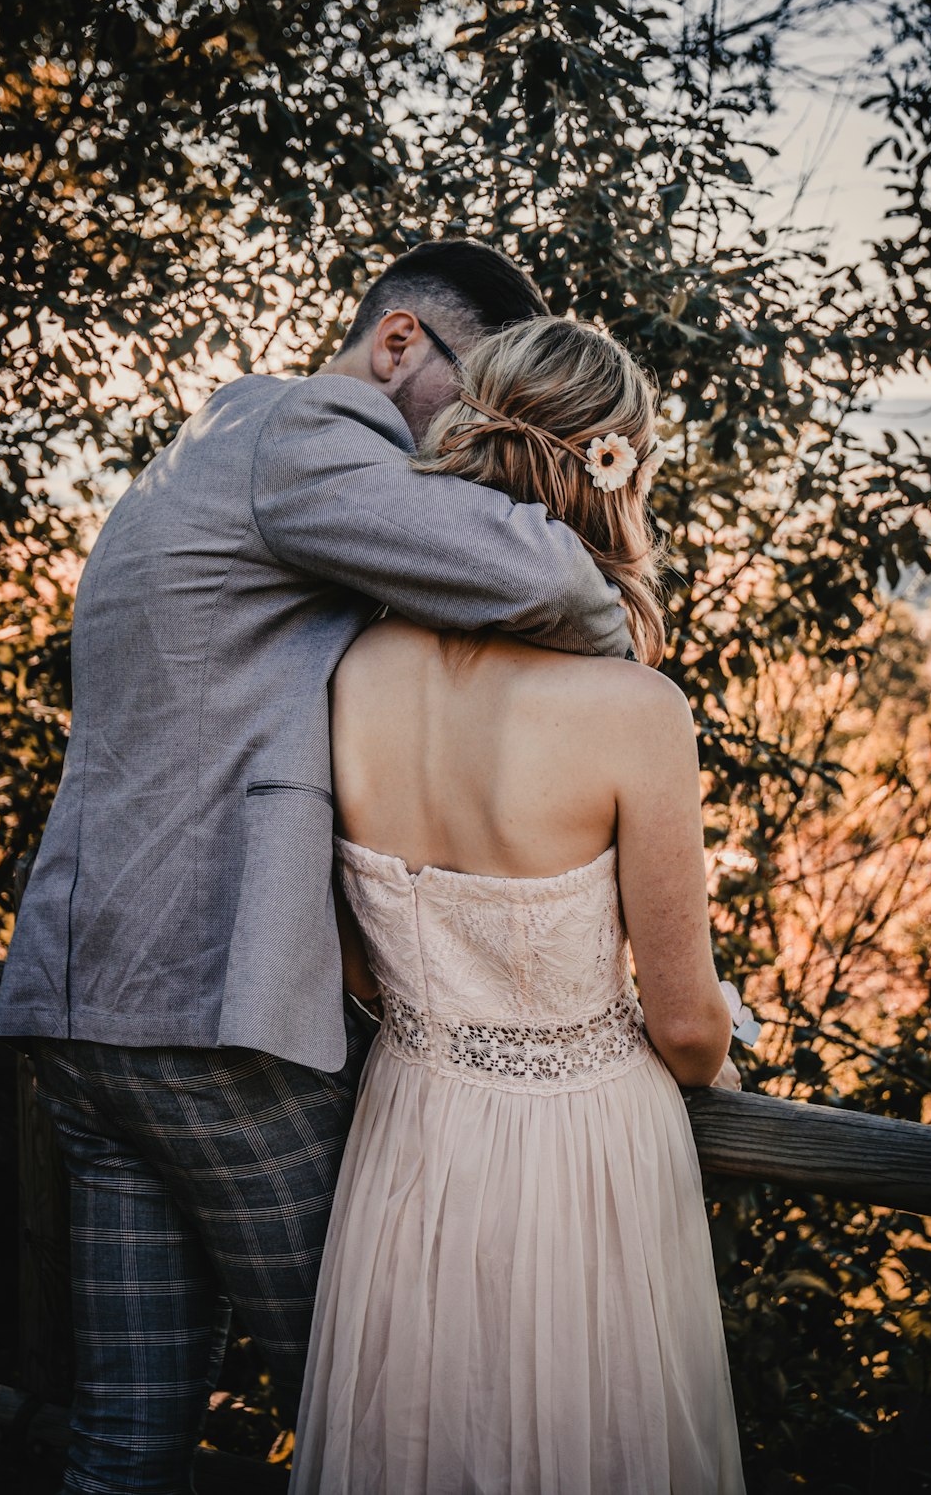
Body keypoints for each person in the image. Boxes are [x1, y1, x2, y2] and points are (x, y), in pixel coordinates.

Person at [0, 240, 637, 1495]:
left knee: (126, 1442)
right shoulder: (313, 432)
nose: (477, 431)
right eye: (474, 386)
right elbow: (535, 570)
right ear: (399, 344)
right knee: (386, 1428)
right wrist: (615, 653)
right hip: (210, 1024)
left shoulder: (215, 445)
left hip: (89, 1014)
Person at [291, 317, 747, 1494]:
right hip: (580, 1156)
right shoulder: (632, 709)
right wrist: (719, 1050)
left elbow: (354, 963)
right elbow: (690, 1031)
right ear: (616, 468)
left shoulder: (349, 667)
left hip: (405, 1133)